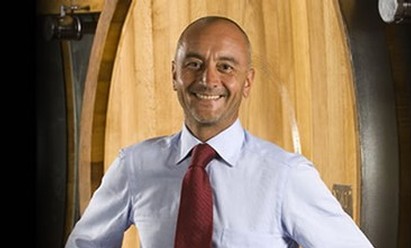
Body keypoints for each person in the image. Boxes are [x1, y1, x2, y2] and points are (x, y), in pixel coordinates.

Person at [65, 15, 374, 248]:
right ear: (175, 74)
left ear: (248, 82)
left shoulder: (286, 176)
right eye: (195, 64)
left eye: (226, 67)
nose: (208, 80)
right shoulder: (135, 165)